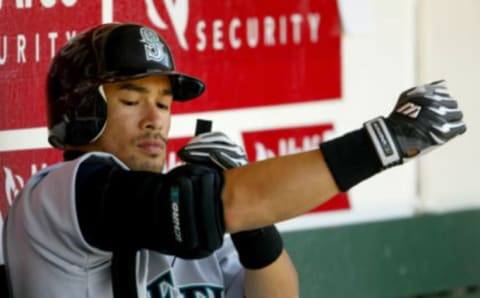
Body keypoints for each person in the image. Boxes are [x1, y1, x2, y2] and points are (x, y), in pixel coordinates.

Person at [2, 22, 466, 298]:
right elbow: (205, 208)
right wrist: (382, 142)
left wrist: (252, 225)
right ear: (84, 108)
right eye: (131, 100)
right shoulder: (59, 195)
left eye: (163, 105)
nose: (154, 121)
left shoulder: (184, 207)